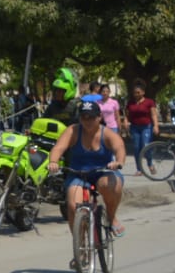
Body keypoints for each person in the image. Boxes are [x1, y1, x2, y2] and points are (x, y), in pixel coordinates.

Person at [47, 99, 126, 239]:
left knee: (112, 185)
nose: (87, 121)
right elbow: (58, 147)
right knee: (73, 206)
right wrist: (53, 161)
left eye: (91, 117)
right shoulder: (73, 131)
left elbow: (119, 147)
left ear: (99, 117)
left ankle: (111, 216)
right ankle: (80, 244)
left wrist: (118, 162)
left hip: (102, 172)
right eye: (84, 117)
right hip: (78, 174)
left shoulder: (107, 134)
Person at [121, 78, 159, 175]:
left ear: (143, 92)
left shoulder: (149, 102)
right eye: (135, 93)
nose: (136, 94)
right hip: (135, 127)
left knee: (146, 146)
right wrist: (125, 121)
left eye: (138, 92)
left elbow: (154, 114)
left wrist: (156, 126)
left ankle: (150, 164)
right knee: (137, 147)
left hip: (146, 127)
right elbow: (127, 115)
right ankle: (139, 169)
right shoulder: (130, 103)